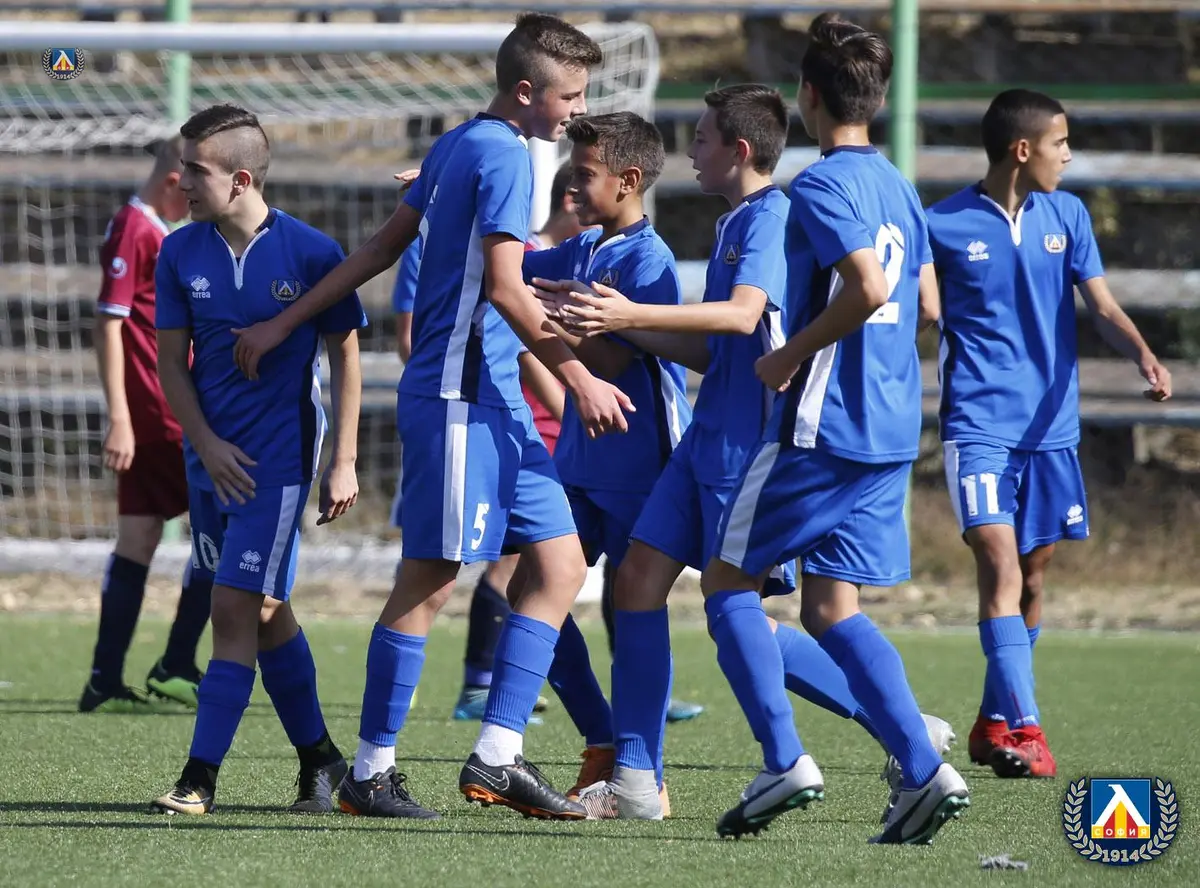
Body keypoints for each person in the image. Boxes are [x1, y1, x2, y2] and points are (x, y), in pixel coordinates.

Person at [227, 13, 632, 820]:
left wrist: (282, 322)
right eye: (572, 95)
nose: (580, 110)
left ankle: (498, 756)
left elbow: (382, 249)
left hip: (497, 404)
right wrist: (578, 375)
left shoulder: (458, 145)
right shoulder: (503, 155)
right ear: (527, 91)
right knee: (430, 580)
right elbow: (505, 288)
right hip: (457, 400)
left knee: (558, 567)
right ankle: (370, 773)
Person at [549, 84, 951, 822]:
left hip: (745, 449)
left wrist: (629, 312)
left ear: (737, 150)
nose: (690, 152)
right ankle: (637, 779)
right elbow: (714, 351)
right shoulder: (736, 220)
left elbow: (741, 318)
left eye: (701, 139)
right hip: (704, 439)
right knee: (637, 584)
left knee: (743, 610)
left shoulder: (773, 216)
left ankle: (888, 732)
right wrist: (618, 325)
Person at [696, 15, 969, 843]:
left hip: (824, 426)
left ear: (808, 96)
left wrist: (791, 355)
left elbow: (871, 287)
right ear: (875, 100)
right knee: (830, 607)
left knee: (727, 585)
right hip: (891, 427)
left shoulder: (816, 187)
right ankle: (922, 769)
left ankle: (783, 759)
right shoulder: (898, 184)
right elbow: (925, 302)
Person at [928, 88, 1172, 779]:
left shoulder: (1069, 216)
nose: (1068, 156)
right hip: (978, 426)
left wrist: (1143, 355)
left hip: (1051, 431)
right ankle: (1028, 730)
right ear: (1023, 149)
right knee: (1001, 567)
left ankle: (991, 724)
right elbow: (918, 310)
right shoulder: (940, 224)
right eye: (1060, 143)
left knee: (1032, 578)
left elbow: (1102, 306)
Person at [148, 104, 363, 815]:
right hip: (209, 464)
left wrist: (343, 459)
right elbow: (171, 364)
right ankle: (322, 760)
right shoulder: (179, 252)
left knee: (232, 606)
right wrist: (205, 444)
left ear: (241, 179)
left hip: (276, 465)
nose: (180, 181)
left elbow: (346, 355)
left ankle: (199, 778)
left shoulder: (311, 252)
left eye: (195, 170)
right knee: (266, 610)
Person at [525, 111, 691, 806]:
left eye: (584, 175)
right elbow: (513, 266)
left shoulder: (650, 262)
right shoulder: (584, 246)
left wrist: (544, 321)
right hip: (580, 464)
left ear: (628, 181)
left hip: (637, 467)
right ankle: (603, 739)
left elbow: (615, 360)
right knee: (531, 591)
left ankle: (642, 771)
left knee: (634, 608)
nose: (571, 188)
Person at [388, 165, 578, 721]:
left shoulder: (528, 254)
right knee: (436, 576)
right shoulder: (434, 244)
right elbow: (417, 338)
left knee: (559, 566)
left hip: (520, 426)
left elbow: (524, 338)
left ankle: (506, 729)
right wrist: (575, 392)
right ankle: (389, 742)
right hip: (462, 417)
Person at [80, 135, 214, 713]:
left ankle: (104, 680)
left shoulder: (152, 228)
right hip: (162, 417)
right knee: (224, 526)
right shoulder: (137, 229)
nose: (193, 198)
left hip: (157, 415)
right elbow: (108, 325)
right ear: (173, 181)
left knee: (138, 536)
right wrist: (120, 418)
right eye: (191, 186)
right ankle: (177, 662)